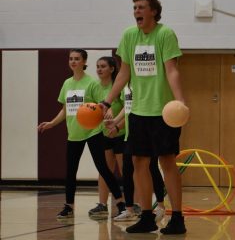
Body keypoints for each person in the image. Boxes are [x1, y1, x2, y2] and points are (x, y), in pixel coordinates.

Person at [100, 0, 186, 235]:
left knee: (167, 161)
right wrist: (107, 101)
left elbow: (172, 70)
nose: (136, 11)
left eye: (141, 7)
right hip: (137, 110)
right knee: (139, 162)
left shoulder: (165, 34)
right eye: (135, 7)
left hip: (164, 112)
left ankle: (177, 218)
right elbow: (124, 73)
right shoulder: (129, 36)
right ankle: (147, 216)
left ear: (154, 11)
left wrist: (180, 101)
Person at [37, 49, 126, 219]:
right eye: (71, 59)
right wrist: (52, 123)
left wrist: (109, 115)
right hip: (74, 133)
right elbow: (65, 110)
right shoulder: (67, 83)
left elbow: (102, 104)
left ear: (84, 62)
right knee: (70, 171)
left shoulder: (92, 83)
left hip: (93, 132)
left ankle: (121, 203)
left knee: (103, 169)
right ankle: (69, 206)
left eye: (77, 59)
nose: (73, 62)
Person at [108, 86, 166, 223]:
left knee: (152, 168)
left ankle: (161, 206)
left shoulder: (144, 84)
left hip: (147, 133)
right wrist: (115, 122)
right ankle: (129, 209)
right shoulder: (125, 87)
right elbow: (127, 108)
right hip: (130, 134)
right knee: (127, 171)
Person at [88, 56, 125, 218]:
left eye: (103, 66)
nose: (99, 69)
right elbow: (90, 110)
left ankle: (131, 204)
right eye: (97, 66)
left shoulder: (118, 86)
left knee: (126, 171)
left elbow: (128, 109)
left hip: (121, 133)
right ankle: (102, 205)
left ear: (111, 68)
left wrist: (117, 124)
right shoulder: (94, 87)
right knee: (105, 171)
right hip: (103, 134)